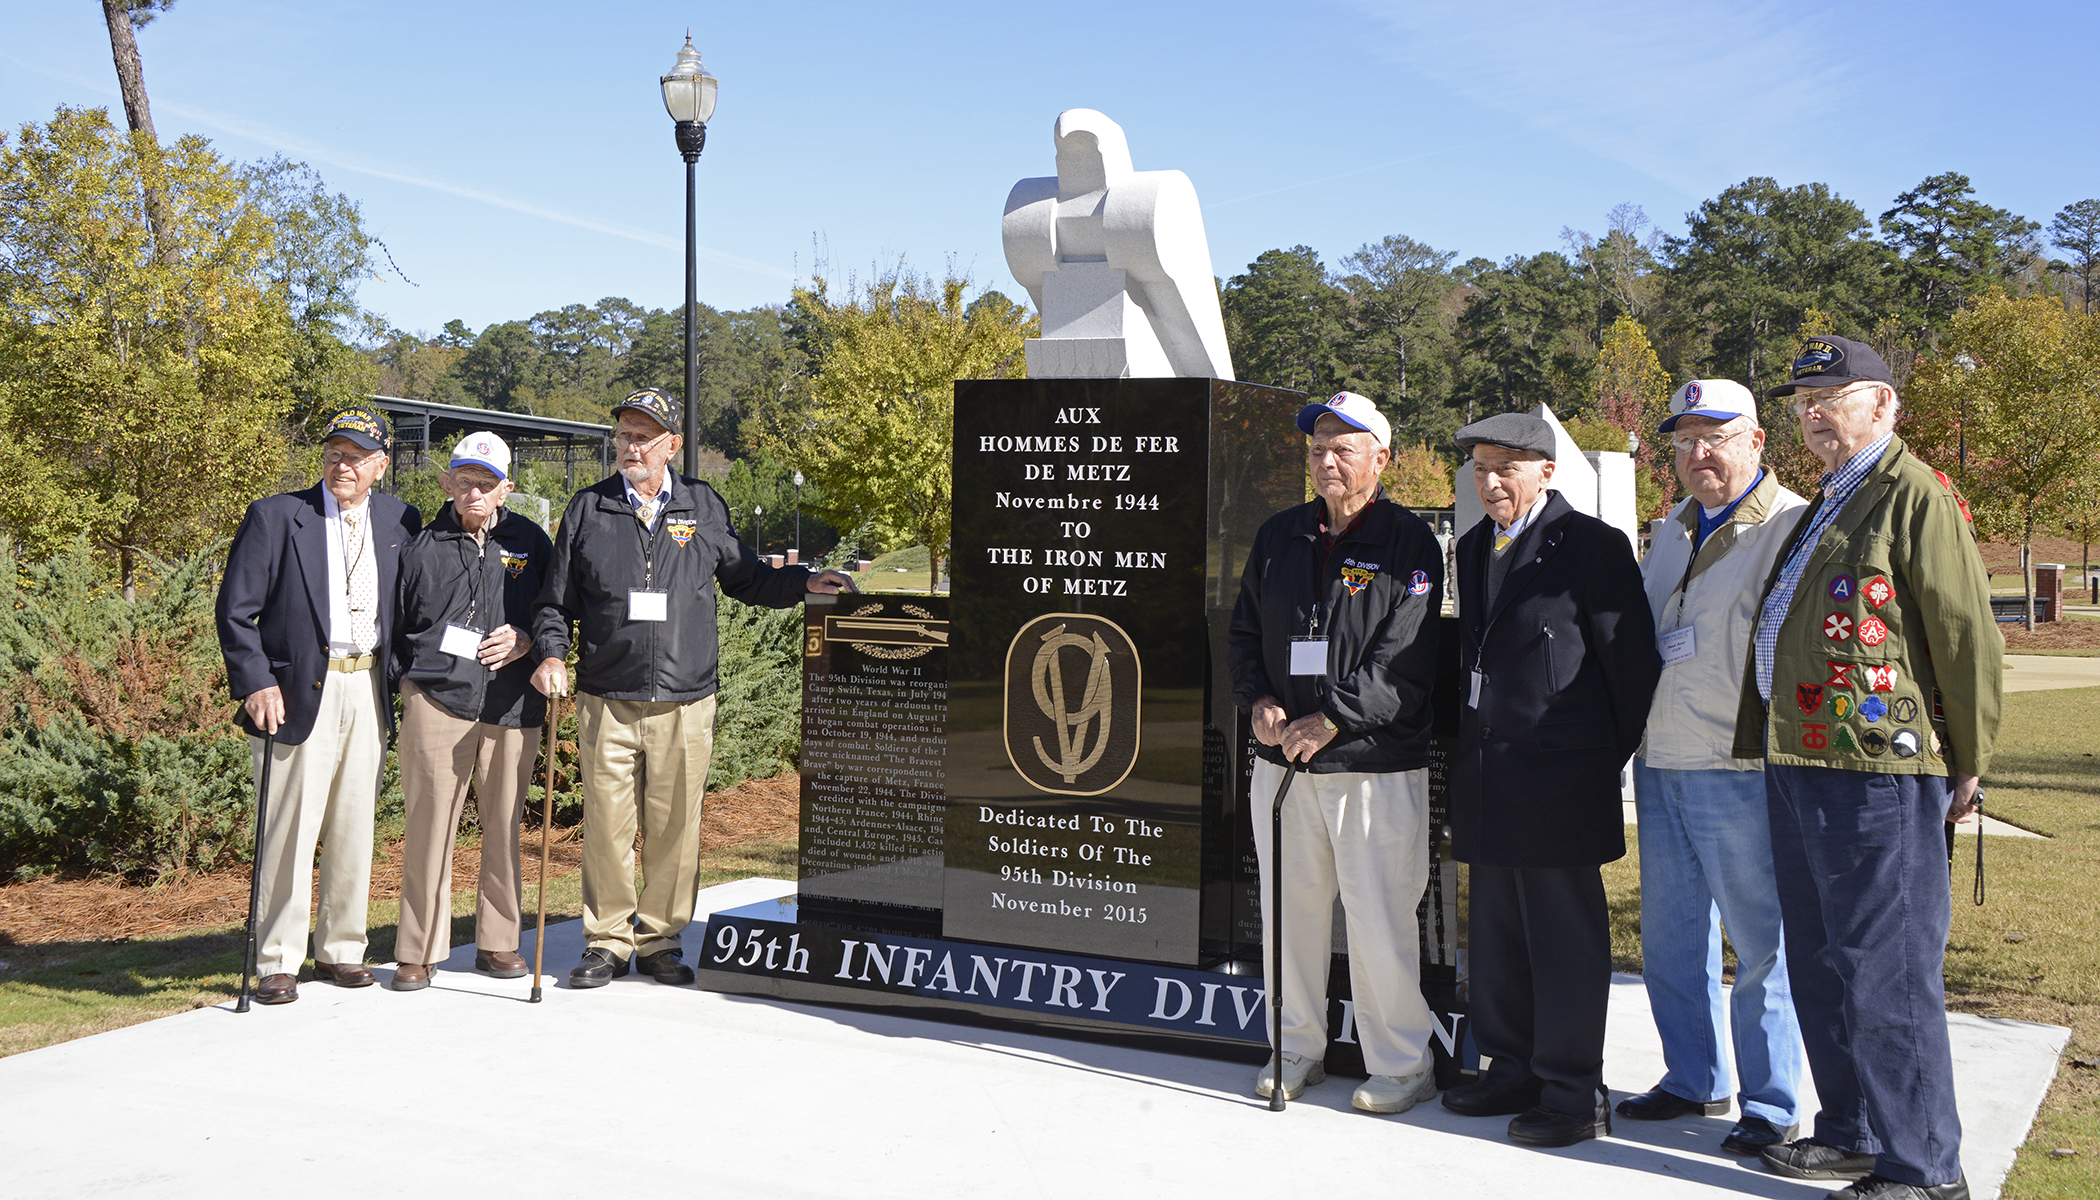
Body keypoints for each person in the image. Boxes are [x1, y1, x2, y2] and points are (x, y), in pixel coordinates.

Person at [1735, 336, 2000, 1200]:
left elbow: (1964, 635)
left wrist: (1970, 760)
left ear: (1883, 405)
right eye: (1804, 397)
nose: (1813, 410)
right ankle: (1851, 1130)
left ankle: (1924, 1167)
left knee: (1886, 969)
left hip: (1879, 768)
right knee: (1821, 959)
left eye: (1833, 395)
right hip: (1802, 758)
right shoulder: (1829, 499)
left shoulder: (1914, 494)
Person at [531, 388, 854, 988]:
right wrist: (552, 655)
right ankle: (607, 941)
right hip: (607, 696)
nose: (630, 446)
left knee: (676, 826)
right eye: (624, 434)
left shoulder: (702, 507)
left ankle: (659, 939)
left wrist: (810, 583)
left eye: (643, 436)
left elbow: (749, 579)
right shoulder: (587, 510)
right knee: (606, 825)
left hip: (686, 698)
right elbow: (555, 602)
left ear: (672, 446)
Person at [1440, 411, 1660, 1147]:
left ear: (1546, 470)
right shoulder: (1473, 547)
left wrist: (1593, 763)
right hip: (1490, 778)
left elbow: (1631, 671)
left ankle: (1572, 1091)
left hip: (1560, 782)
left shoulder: (1594, 548)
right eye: (1479, 469)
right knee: (1498, 933)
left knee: (1565, 942)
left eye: (1506, 466)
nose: (1491, 481)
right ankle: (1511, 1069)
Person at [1227, 391, 1447, 1114]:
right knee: (1291, 913)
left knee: (1379, 916)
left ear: (1380, 458)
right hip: (1283, 769)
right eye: (1318, 446)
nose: (1327, 459)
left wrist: (1333, 719)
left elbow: (1404, 661)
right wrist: (1258, 700)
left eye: (1344, 447)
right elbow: (1243, 635)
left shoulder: (1410, 543)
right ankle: (1295, 1048)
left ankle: (1401, 1063)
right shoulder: (1279, 535)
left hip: (1372, 767)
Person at [1621, 381, 1809, 1155]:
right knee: (1669, 940)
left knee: (1762, 947)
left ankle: (1771, 1107)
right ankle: (1692, 1079)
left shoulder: (1792, 526)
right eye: (1686, 439)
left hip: (1738, 768)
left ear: (1757, 442)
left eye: (1717, 438)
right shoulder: (1671, 528)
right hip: (1660, 761)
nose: (1699, 454)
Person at [215, 405, 423, 1005]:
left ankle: (342, 949)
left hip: (368, 688)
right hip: (294, 692)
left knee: (355, 825)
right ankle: (278, 957)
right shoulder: (278, 516)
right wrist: (255, 681)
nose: (343, 465)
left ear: (380, 465)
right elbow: (236, 611)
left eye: (356, 457)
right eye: (335, 453)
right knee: (288, 829)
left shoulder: (399, 519)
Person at [388, 433, 556, 991]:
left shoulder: (531, 541)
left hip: (511, 704)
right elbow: (396, 623)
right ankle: (418, 949)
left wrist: (530, 639)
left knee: (506, 826)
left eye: (486, 483)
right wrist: (409, 679)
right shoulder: (419, 544)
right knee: (429, 827)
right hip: (438, 700)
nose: (474, 492)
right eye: (464, 480)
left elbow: (555, 609)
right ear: (447, 483)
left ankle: (499, 941)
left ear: (506, 488)